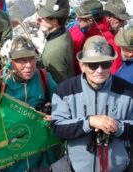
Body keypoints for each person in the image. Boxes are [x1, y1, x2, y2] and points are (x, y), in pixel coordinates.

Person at [51, 35, 133, 172]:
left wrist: (117, 127)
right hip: (78, 168)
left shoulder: (128, 91)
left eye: (105, 64)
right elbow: (58, 128)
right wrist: (89, 122)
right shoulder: (64, 91)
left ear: (112, 64)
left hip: (120, 168)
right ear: (82, 65)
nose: (99, 70)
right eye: (93, 65)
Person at [0, 36, 57, 172]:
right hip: (12, 155)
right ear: (11, 61)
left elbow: (63, 102)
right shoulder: (1, 82)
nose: (29, 65)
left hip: (40, 153)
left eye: (32, 58)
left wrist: (54, 114)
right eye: (21, 60)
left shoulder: (43, 77)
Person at [69, 0, 122, 74]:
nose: (77, 21)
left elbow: (114, 73)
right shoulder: (81, 31)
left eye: (80, 19)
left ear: (90, 20)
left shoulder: (108, 42)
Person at [37, 0, 75, 83]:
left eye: (44, 17)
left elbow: (57, 85)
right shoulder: (64, 32)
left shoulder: (54, 53)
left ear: (54, 21)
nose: (40, 20)